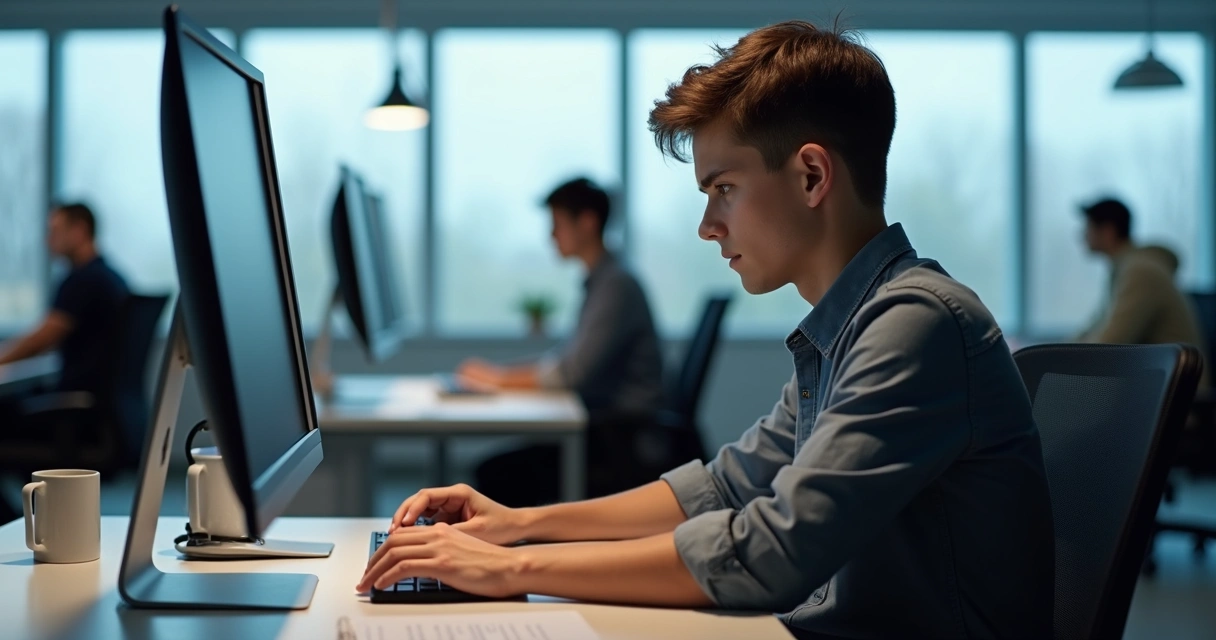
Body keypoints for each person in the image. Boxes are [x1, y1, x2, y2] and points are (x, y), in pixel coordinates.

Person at [359, 21, 1054, 639]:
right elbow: (724, 489)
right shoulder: (842, 336)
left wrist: (513, 568)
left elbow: (771, 553)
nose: (707, 226)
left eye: (723, 188)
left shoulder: (917, 324)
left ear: (812, 175)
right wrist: (516, 525)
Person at [463, 178, 665, 506]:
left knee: (494, 473)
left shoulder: (615, 286)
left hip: (620, 440)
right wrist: (501, 376)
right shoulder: (604, 281)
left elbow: (570, 374)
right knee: (499, 468)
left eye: (557, 224)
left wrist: (498, 379)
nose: (551, 236)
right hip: (609, 428)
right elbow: (566, 362)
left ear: (587, 222)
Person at [0, 203, 130, 392]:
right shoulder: (113, 277)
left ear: (79, 230)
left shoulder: (84, 281)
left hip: (81, 396)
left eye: (55, 231)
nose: (48, 240)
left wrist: (3, 358)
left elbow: (42, 339)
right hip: (105, 397)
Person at [1076, 198, 1208, 356]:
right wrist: (1052, 355)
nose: (1082, 234)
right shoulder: (1125, 269)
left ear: (1108, 231)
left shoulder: (1140, 272)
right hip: (1155, 377)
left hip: (1176, 379)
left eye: (1088, 227)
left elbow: (1109, 344)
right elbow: (1095, 328)